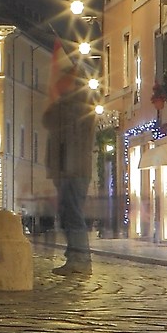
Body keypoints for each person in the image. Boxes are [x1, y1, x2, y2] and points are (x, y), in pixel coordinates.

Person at [42, 51, 96, 275]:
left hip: (72, 169)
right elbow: (49, 121)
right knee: (67, 214)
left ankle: (80, 258)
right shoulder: (72, 105)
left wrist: (58, 99)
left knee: (72, 214)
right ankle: (75, 257)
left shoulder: (76, 106)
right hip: (68, 168)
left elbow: (51, 121)